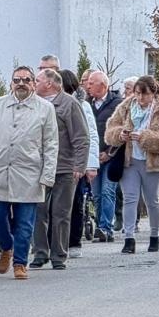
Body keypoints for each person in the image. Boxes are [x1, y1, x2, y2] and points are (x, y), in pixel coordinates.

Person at [0, 65, 59, 279]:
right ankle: (7, 246)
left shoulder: (44, 108)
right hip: (0, 170)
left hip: (29, 172)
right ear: (11, 83)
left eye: (26, 79)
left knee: (25, 222)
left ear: (33, 83)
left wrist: (48, 174)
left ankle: (20, 262)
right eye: (17, 80)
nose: (21, 83)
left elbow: (51, 143)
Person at [104, 75, 159, 255]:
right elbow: (110, 129)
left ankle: (154, 235)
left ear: (153, 93)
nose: (140, 98)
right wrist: (120, 134)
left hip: (153, 161)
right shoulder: (126, 107)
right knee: (130, 198)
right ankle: (129, 238)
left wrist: (143, 136)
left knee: (152, 200)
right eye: (137, 93)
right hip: (130, 160)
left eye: (145, 94)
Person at [29, 69, 89, 271]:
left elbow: (81, 137)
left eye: (36, 80)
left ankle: (59, 255)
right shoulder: (34, 104)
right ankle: (40, 252)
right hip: (38, 167)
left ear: (50, 84)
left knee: (61, 213)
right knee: (38, 212)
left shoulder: (69, 104)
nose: (33, 83)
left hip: (64, 168)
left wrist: (80, 165)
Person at [60, 69, 98, 259]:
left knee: (74, 204)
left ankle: (74, 240)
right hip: (58, 161)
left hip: (76, 161)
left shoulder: (81, 105)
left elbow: (89, 135)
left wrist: (89, 164)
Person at [84, 70, 122, 243]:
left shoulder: (117, 104)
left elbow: (122, 131)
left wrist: (109, 152)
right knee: (97, 194)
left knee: (108, 191)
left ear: (103, 85)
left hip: (111, 157)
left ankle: (106, 228)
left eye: (92, 82)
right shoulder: (86, 104)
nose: (88, 85)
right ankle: (100, 225)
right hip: (92, 157)